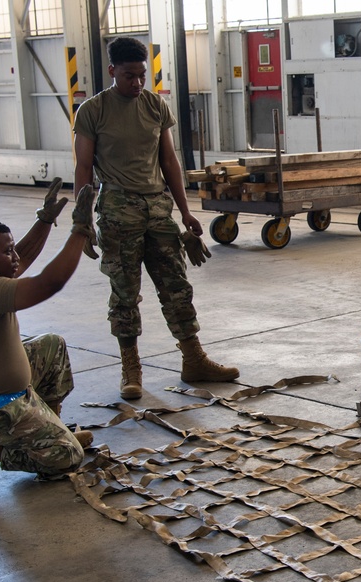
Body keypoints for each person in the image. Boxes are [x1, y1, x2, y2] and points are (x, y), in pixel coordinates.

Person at [73, 36, 236, 401]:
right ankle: (131, 368)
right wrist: (80, 223)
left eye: (142, 76)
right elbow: (83, 168)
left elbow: (169, 161)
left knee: (176, 287)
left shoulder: (155, 106)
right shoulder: (93, 111)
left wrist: (186, 211)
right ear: (113, 71)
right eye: (129, 76)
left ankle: (194, 359)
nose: (137, 83)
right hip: (117, 213)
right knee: (125, 294)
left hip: (158, 210)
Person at [0, 180, 97, 485]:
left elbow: (21, 258)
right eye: (6, 251)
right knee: (68, 456)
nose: (14, 258)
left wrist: (45, 220)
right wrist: (80, 230)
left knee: (52, 346)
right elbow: (47, 283)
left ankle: (50, 429)